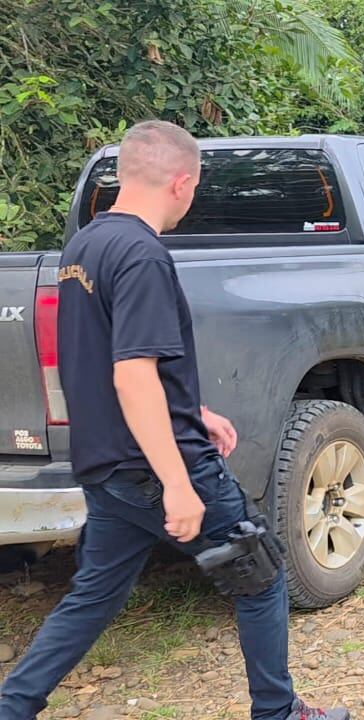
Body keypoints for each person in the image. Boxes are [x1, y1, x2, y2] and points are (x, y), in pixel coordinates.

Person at [0, 121, 346, 720]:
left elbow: (112, 355)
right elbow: (132, 375)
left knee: (94, 595)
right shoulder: (141, 255)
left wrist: (193, 410)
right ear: (182, 183)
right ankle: (278, 711)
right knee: (259, 573)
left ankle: (12, 704)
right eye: (196, 188)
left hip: (107, 463)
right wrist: (180, 484)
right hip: (156, 467)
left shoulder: (85, 246)